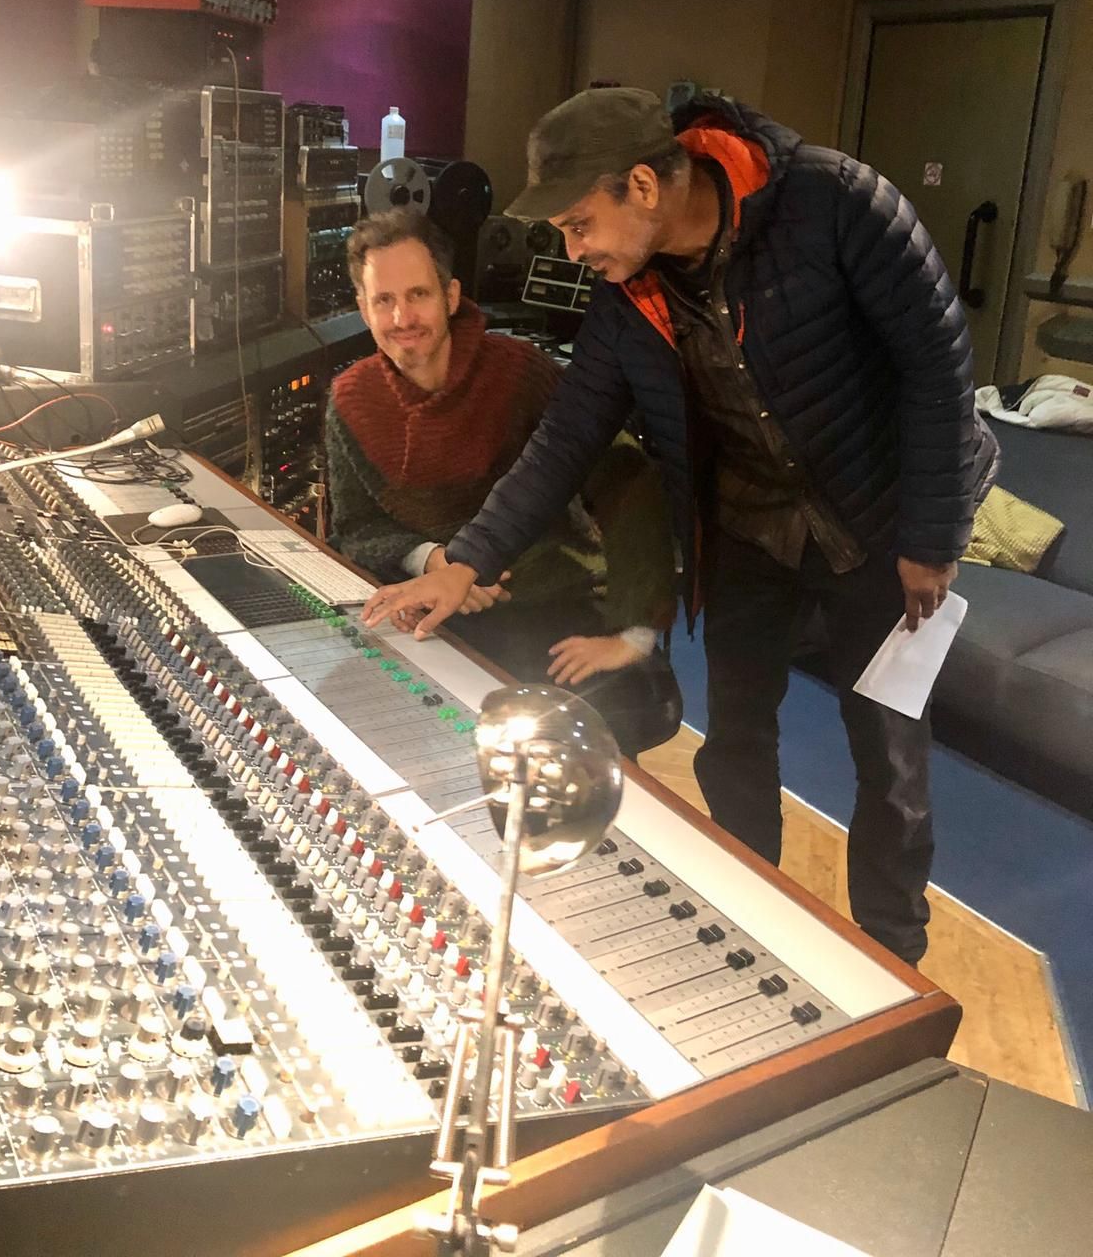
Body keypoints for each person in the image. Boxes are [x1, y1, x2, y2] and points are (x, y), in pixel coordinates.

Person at [362, 87, 998, 965]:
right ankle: (748, 923)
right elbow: (566, 439)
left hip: (880, 528)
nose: (573, 250)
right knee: (735, 740)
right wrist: (464, 561)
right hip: (745, 531)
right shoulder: (626, 299)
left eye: (580, 225)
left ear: (643, 187)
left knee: (889, 760)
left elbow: (938, 366)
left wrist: (932, 539)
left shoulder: (839, 201)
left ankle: (893, 956)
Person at [325, 207, 682, 758]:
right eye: (383, 300)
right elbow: (355, 528)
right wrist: (436, 562)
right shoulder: (350, 400)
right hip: (436, 617)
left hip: (552, 604)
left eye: (418, 295)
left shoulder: (519, 372)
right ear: (362, 308)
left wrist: (634, 633)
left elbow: (626, 478)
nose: (402, 317)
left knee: (585, 754)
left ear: (451, 295)